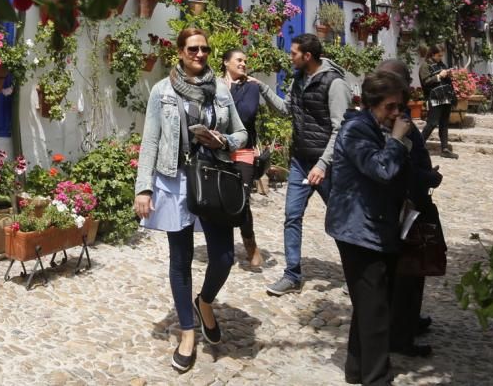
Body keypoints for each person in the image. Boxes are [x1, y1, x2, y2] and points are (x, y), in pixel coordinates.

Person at [133, 28, 248, 373]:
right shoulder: (162, 91)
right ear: (180, 52)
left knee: (225, 257)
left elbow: (242, 133)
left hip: (212, 180)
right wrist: (144, 187)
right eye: (193, 49)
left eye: (205, 49)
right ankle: (187, 332)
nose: (200, 54)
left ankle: (205, 302)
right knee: (180, 260)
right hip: (175, 181)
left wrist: (223, 140)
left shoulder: (221, 90)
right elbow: (150, 141)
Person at [326, 71, 413, 386]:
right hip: (357, 229)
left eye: (399, 108)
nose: (395, 114)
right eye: (390, 107)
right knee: (375, 310)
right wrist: (398, 140)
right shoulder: (356, 130)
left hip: (375, 225)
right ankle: (377, 378)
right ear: (372, 104)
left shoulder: (378, 126)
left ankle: (356, 368)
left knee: (369, 303)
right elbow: (381, 169)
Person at [251, 33, 349, 295]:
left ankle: (356, 274)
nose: (289, 57)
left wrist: (323, 164)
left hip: (327, 166)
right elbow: (286, 109)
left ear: (307, 56)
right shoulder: (299, 80)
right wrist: (261, 87)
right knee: (292, 217)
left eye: (293, 53)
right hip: (300, 161)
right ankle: (292, 274)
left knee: (342, 221)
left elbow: (341, 129)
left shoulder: (335, 83)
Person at [379, 59, 442, 357]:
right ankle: (401, 336)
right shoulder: (393, 119)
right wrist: (430, 177)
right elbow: (400, 168)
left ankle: (406, 324)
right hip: (405, 207)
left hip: (405, 203)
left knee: (404, 275)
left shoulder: (391, 113)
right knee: (407, 274)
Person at [222, 48, 264, 268]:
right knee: (219, 200)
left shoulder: (251, 87)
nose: (243, 64)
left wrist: (227, 97)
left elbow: (246, 114)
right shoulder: (216, 85)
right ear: (226, 63)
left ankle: (251, 245)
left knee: (241, 200)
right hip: (219, 151)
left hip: (243, 151)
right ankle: (222, 248)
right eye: (239, 60)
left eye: (245, 61)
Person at [418, 45, 458, 159]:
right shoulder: (425, 66)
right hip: (434, 98)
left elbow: (446, 80)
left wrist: (448, 75)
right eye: (439, 55)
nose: (441, 57)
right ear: (432, 54)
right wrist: (439, 76)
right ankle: (418, 145)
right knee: (432, 123)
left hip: (445, 97)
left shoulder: (441, 64)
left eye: (442, 55)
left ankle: (445, 149)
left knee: (444, 123)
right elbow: (426, 82)